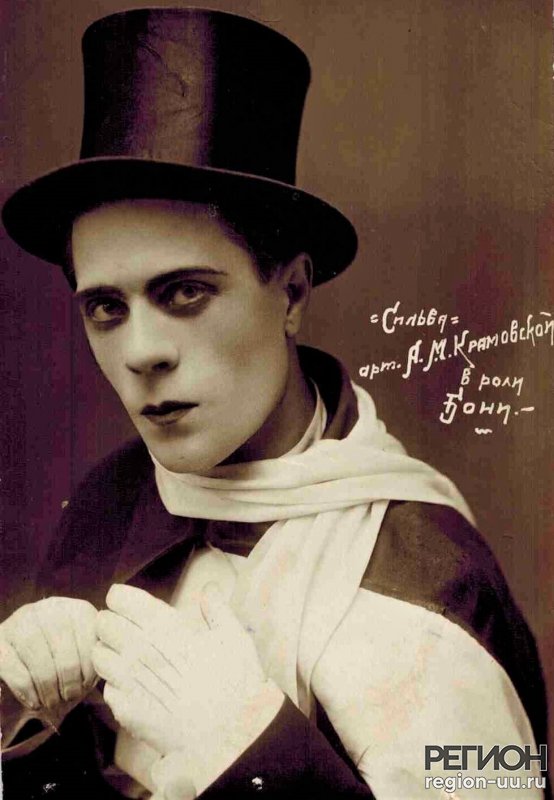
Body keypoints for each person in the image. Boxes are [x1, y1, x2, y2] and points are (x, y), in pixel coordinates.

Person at [0, 8, 548, 800]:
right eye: (106, 307)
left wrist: (252, 754)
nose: (141, 351)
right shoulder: (107, 505)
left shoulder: (430, 584)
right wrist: (29, 716)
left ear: (290, 293)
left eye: (184, 292)